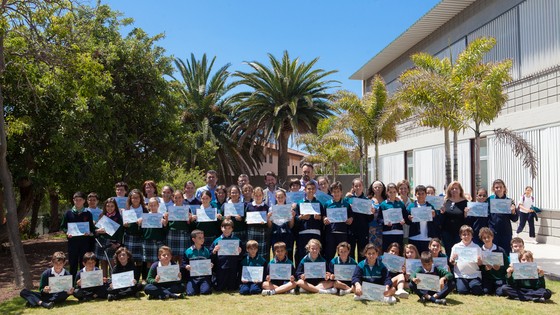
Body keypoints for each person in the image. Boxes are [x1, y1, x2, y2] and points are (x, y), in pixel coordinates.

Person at [60, 191, 95, 278]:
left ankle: (84, 282)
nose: (78, 202)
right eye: (76, 200)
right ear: (73, 200)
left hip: (85, 242)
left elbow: (92, 228)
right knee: (73, 263)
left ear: (84, 201)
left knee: (84, 262)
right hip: (73, 242)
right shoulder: (68, 213)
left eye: (80, 200)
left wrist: (89, 232)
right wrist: (67, 232)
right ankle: (73, 283)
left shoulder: (88, 214)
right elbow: (63, 226)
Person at [294, 182, 324, 266]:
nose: (311, 190)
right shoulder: (300, 203)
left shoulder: (319, 203)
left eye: (313, 188)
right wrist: (301, 217)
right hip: (303, 232)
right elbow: (295, 218)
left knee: (315, 254)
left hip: (316, 233)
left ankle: (315, 275)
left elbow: (324, 219)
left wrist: (320, 218)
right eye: (309, 188)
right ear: (305, 190)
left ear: (315, 190)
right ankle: (300, 274)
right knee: (302, 254)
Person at [323, 181, 353, 262]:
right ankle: (329, 272)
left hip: (342, 233)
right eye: (334, 192)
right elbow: (324, 216)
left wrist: (350, 219)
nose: (336, 194)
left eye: (338, 191)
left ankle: (343, 272)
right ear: (331, 192)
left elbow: (351, 217)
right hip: (331, 233)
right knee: (329, 255)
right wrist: (324, 219)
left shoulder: (346, 204)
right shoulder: (327, 204)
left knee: (344, 255)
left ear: (341, 192)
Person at [449, 225, 483, 295]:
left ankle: (472, 285)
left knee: (477, 291)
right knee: (462, 291)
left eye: (468, 234)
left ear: (472, 236)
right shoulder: (456, 247)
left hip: (474, 275)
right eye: (464, 235)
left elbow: (480, 264)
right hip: (460, 275)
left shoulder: (477, 247)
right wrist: (453, 260)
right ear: (460, 236)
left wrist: (479, 260)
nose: (466, 236)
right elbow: (452, 262)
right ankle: (464, 286)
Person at [210, 219, 243, 291]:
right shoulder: (216, 241)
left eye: (229, 228)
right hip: (221, 266)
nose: (227, 230)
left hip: (233, 266)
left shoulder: (237, 240)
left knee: (232, 288)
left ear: (232, 229)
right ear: (221, 228)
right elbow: (211, 256)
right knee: (219, 288)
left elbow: (241, 257)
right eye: (225, 228)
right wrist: (214, 251)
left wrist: (240, 252)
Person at [345, 178, 374, 260]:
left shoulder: (367, 201)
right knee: (350, 252)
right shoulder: (348, 200)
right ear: (353, 187)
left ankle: (362, 270)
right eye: (356, 186)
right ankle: (352, 271)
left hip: (363, 230)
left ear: (362, 186)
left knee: (363, 252)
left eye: (360, 185)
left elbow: (369, 219)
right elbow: (344, 214)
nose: (358, 187)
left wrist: (371, 213)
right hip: (351, 230)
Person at [94, 198, 123, 278]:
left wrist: (117, 243)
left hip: (112, 243)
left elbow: (121, 232)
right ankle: (105, 280)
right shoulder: (102, 215)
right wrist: (97, 231)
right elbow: (96, 230)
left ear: (115, 207)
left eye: (112, 206)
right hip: (102, 241)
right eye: (107, 206)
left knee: (112, 263)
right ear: (105, 207)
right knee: (103, 262)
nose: (109, 208)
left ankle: (113, 281)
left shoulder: (118, 217)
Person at [122, 189, 147, 283]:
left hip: (141, 236)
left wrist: (143, 219)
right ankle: (130, 279)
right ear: (130, 199)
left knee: (140, 259)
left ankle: (138, 278)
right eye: (133, 198)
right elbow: (123, 225)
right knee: (130, 259)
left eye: (137, 197)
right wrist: (124, 225)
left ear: (140, 198)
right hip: (129, 236)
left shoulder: (145, 209)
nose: (135, 199)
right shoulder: (127, 210)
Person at [488, 179, 518, 255]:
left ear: (504, 188)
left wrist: (513, 212)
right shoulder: (490, 200)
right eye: (496, 187)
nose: (499, 189)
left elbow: (515, 219)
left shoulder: (509, 201)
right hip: (493, 232)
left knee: (505, 253)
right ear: (493, 189)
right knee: (493, 254)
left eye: (500, 187)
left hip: (505, 232)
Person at [379, 183, 411, 252]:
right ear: (387, 192)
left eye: (394, 192)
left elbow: (406, 217)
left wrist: (404, 221)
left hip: (399, 232)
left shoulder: (401, 203)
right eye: (390, 192)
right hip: (387, 233)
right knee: (387, 253)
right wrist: (385, 222)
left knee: (398, 253)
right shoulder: (383, 204)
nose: (392, 194)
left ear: (396, 192)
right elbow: (379, 219)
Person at [440, 181, 468, 257]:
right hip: (447, 232)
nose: (454, 190)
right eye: (452, 189)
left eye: (456, 188)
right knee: (449, 253)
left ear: (460, 190)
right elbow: (442, 218)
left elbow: (468, 221)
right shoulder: (445, 201)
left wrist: (466, 215)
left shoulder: (465, 202)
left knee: (459, 253)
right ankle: (450, 268)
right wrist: (442, 213)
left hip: (459, 233)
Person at [407, 185, 437, 253]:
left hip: (427, 238)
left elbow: (436, 222)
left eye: (423, 193)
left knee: (426, 260)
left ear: (426, 194)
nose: (420, 196)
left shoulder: (430, 206)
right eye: (418, 194)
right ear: (415, 195)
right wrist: (409, 219)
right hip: (414, 237)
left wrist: (434, 216)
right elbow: (406, 221)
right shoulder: (411, 206)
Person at [142, 197, 169, 272]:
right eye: (151, 205)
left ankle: (160, 278)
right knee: (149, 262)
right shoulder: (145, 217)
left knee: (160, 261)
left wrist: (165, 224)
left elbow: (166, 231)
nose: (153, 207)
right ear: (148, 206)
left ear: (158, 205)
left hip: (159, 241)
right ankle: (149, 278)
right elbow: (142, 231)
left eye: (154, 205)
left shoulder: (162, 216)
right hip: (148, 241)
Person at [268, 189, 296, 262]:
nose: (280, 199)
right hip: (276, 234)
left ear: (285, 197)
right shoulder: (271, 208)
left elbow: (291, 226)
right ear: (275, 198)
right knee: (277, 256)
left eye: (282, 197)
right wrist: (268, 218)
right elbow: (270, 226)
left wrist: (292, 217)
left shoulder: (289, 208)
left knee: (288, 255)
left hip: (287, 235)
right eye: (278, 197)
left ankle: (289, 272)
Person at [479, 227, 507, 295]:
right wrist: (485, 268)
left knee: (500, 293)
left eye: (488, 237)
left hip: (499, 277)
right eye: (484, 238)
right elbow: (478, 267)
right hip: (487, 277)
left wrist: (499, 268)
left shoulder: (500, 250)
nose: (487, 239)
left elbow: (506, 264)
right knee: (485, 291)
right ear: (482, 239)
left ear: (492, 237)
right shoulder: (480, 250)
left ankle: (498, 288)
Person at [183, 229, 212, 296]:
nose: (202, 239)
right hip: (193, 277)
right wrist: (186, 266)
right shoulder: (188, 251)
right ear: (194, 239)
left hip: (204, 277)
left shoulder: (206, 251)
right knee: (190, 293)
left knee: (205, 292)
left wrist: (210, 265)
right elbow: (183, 263)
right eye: (199, 238)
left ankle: (203, 286)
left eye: (202, 237)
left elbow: (210, 261)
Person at [167, 190, 192, 266]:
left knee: (182, 258)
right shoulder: (169, 208)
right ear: (173, 198)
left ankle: (182, 276)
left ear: (183, 198)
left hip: (183, 234)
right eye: (176, 197)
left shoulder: (187, 208)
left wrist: (189, 220)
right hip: (172, 234)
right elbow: (167, 223)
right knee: (172, 257)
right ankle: (173, 276)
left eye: (179, 197)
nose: (178, 199)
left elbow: (189, 224)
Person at [245, 187, 270, 261]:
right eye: (256, 195)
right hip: (251, 231)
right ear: (253, 195)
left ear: (263, 196)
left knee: (261, 253)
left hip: (262, 232)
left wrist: (265, 220)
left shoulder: (266, 207)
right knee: (251, 250)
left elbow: (268, 222)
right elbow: (245, 219)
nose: (258, 197)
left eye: (260, 195)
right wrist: (247, 220)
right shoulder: (249, 206)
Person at [367, 180, 386, 251]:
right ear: (372, 188)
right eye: (375, 187)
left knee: (383, 250)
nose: (378, 188)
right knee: (372, 250)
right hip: (372, 230)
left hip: (384, 229)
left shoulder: (387, 200)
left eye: (380, 187)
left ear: (383, 188)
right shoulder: (368, 200)